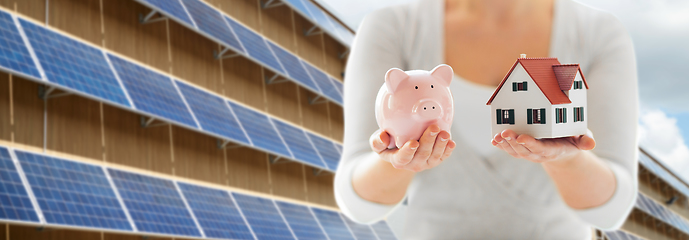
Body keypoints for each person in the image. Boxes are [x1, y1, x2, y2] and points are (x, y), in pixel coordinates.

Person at [334, 0, 639, 238]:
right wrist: (396, 162)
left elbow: (610, 212)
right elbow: (358, 201)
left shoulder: (598, 34)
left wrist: (567, 160)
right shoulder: (394, 28)